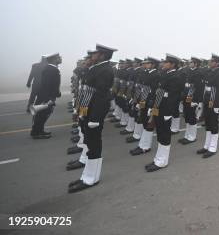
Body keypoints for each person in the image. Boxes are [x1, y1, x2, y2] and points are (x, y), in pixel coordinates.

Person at [68, 44, 117, 193]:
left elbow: (102, 97)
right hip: (86, 111)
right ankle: (87, 175)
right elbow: (86, 92)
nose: (91, 56)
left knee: (94, 145)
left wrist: (95, 118)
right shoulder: (95, 68)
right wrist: (80, 111)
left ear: (102, 55)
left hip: (94, 114)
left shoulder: (105, 70)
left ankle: (91, 178)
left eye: (94, 54)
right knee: (89, 144)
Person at [145, 54, 184, 172]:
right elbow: (159, 92)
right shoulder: (164, 74)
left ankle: (162, 161)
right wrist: (153, 107)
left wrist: (169, 112)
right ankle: (158, 158)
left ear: (173, 65)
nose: (163, 64)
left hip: (166, 109)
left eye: (166, 62)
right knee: (160, 133)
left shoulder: (176, 77)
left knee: (165, 134)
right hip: (159, 106)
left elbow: (174, 97)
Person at [129, 57, 161, 155]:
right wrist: (138, 102)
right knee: (143, 121)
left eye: (147, 63)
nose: (145, 64)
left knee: (149, 124)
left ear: (153, 64)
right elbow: (142, 88)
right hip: (144, 100)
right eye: (145, 63)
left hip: (151, 102)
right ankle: (142, 144)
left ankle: (145, 146)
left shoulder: (156, 75)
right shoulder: (146, 72)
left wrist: (152, 106)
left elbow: (156, 92)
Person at [196, 54, 219, 158]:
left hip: (214, 100)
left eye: (212, 61)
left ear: (217, 63)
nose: (210, 62)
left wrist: (218, 105)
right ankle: (206, 145)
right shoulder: (209, 71)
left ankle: (213, 147)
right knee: (208, 122)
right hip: (207, 99)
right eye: (210, 60)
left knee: (213, 123)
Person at [30, 53, 61, 138]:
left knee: (43, 115)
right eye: (58, 57)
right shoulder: (51, 69)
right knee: (42, 115)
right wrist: (49, 98)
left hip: (46, 96)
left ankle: (39, 130)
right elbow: (48, 85)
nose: (60, 58)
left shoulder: (50, 68)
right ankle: (36, 132)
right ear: (54, 59)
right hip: (46, 97)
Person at [178, 57, 204, 145]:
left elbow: (199, 88)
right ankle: (187, 136)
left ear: (196, 63)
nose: (190, 63)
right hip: (187, 96)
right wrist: (183, 98)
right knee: (187, 116)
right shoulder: (188, 71)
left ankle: (192, 137)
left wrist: (196, 100)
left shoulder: (199, 73)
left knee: (192, 117)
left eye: (192, 62)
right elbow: (186, 85)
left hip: (193, 98)